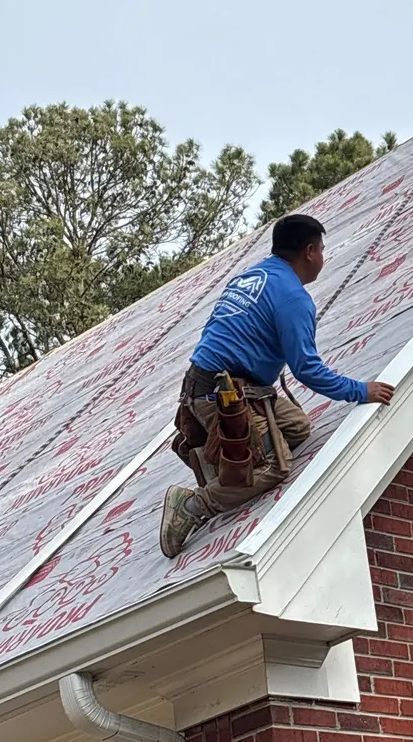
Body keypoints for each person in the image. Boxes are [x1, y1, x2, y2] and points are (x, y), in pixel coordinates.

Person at [160, 213, 394, 558]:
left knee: (297, 427)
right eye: (322, 249)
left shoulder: (251, 276)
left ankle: (222, 463)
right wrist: (361, 391)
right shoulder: (293, 298)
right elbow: (307, 369)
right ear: (310, 251)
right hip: (222, 396)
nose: (323, 257)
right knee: (274, 466)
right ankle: (193, 504)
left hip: (210, 385)